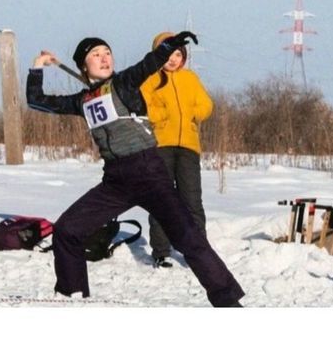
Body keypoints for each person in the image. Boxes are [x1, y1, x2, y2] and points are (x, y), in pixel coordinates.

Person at [26, 32, 244, 307]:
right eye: (96, 54)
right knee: (67, 230)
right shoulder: (82, 101)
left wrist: (171, 44)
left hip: (150, 173)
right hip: (115, 182)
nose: (104, 58)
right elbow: (36, 101)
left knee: (190, 239)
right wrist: (37, 67)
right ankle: (73, 297)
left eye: (107, 52)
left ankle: (229, 303)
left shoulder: (124, 83)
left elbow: (149, 63)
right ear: (84, 65)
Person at [140, 31, 213, 269]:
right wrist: (162, 116)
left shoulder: (190, 78)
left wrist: (195, 113)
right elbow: (144, 107)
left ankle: (198, 251)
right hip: (160, 145)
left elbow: (206, 104)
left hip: (189, 148)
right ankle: (161, 251)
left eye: (178, 54)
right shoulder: (150, 78)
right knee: (162, 199)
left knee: (192, 200)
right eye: (168, 53)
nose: (173, 59)